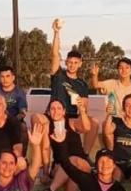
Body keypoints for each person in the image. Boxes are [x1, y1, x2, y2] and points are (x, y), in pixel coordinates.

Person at [37, 18, 99, 153]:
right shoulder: (58, 75)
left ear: (80, 64)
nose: (72, 65)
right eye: (70, 62)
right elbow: (55, 55)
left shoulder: (82, 84)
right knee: (36, 118)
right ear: (66, 62)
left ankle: (85, 154)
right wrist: (56, 32)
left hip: (71, 116)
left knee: (93, 122)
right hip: (53, 114)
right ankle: (43, 158)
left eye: (75, 63)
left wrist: (81, 107)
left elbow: (85, 108)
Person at [36, 99, 92, 191]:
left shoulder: (71, 122)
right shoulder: (48, 128)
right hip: (60, 166)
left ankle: (51, 190)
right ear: (48, 112)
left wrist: (82, 111)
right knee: (72, 175)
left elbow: (87, 128)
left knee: (72, 161)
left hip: (81, 162)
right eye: (52, 109)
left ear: (64, 111)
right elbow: (45, 149)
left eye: (59, 108)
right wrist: (46, 172)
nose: (56, 111)